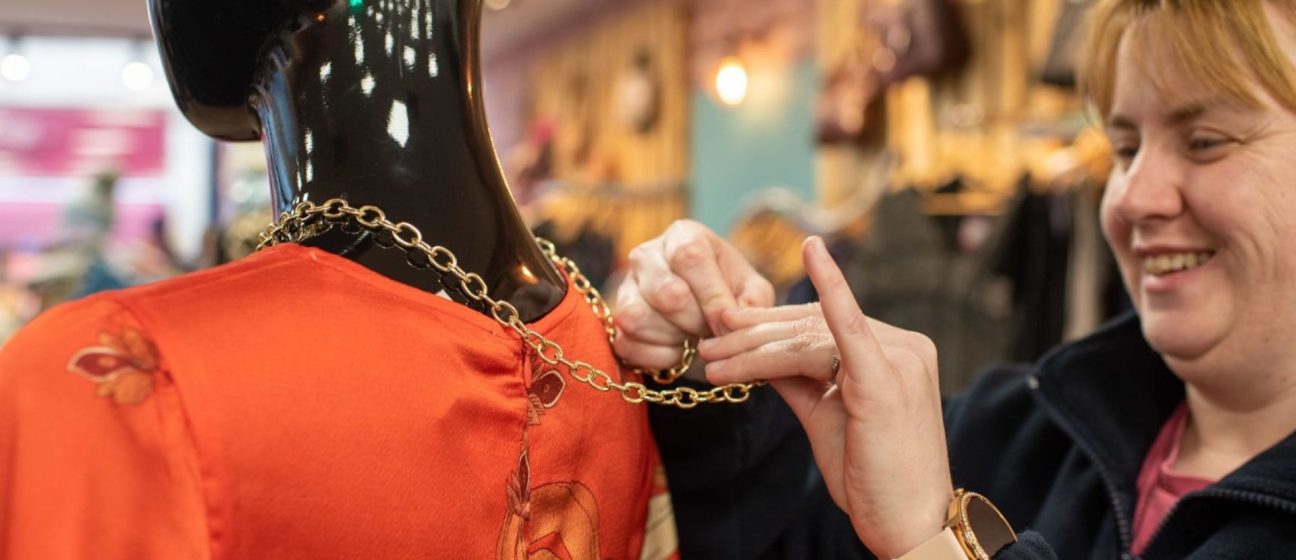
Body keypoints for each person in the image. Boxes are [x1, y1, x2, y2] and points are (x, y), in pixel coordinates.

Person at [620, 1, 1296, 558]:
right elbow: (776, 537)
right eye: (1124, 148)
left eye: (1205, 140)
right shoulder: (1020, 427)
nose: (1130, 196)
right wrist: (707, 360)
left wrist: (933, 540)